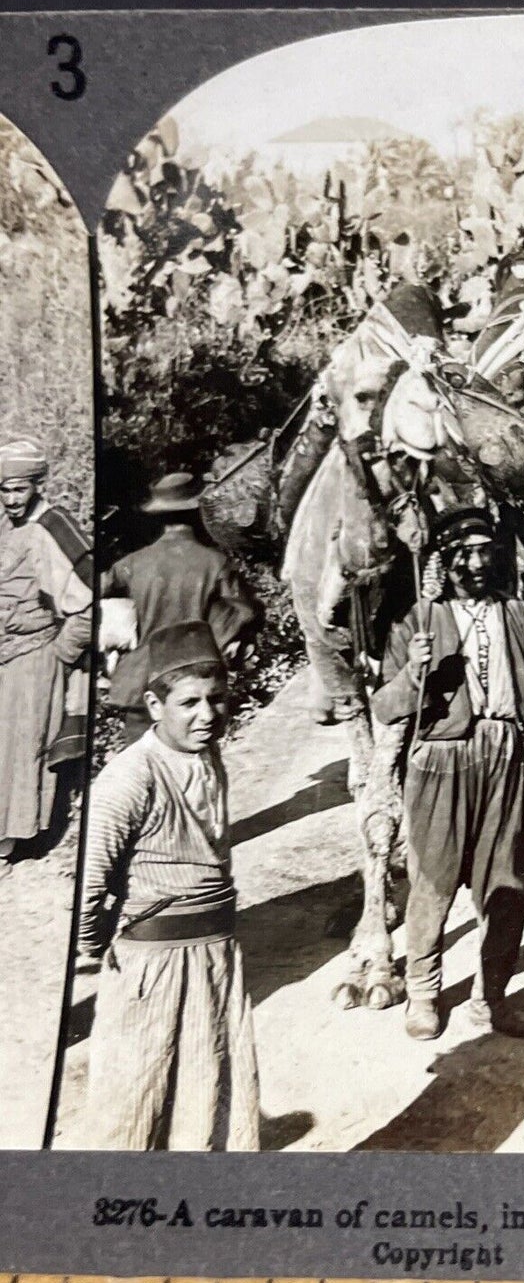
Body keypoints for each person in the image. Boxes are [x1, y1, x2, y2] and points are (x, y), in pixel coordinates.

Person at [373, 505, 524, 1041]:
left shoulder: (516, 613)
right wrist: (415, 672)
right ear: (443, 562)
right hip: (439, 761)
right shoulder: (417, 621)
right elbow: (385, 708)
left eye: (486, 552)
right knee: (432, 884)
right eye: (464, 555)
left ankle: (492, 998)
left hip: (506, 753)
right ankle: (424, 995)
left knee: (507, 883)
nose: (477, 564)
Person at [77, 622, 260, 1150]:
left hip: (217, 957)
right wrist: (98, 946)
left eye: (217, 700)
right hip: (151, 967)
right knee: (134, 1106)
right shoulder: (128, 778)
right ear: (155, 706)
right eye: (190, 703)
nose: (207, 715)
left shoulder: (208, 757)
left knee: (209, 1099)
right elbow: (89, 886)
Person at [103, 472, 261, 746]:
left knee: (144, 764)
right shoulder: (215, 563)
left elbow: (94, 599)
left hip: (142, 681)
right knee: (196, 766)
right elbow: (243, 614)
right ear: (198, 512)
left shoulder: (131, 564)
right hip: (193, 683)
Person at [0, 436, 92, 860]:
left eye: (19, 489)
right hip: (7, 655)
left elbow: (87, 603)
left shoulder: (54, 527)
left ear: (38, 485)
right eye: (4, 489)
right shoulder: (11, 528)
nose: (10, 498)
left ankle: (7, 844)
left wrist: (60, 654)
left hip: (36, 658)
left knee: (21, 749)